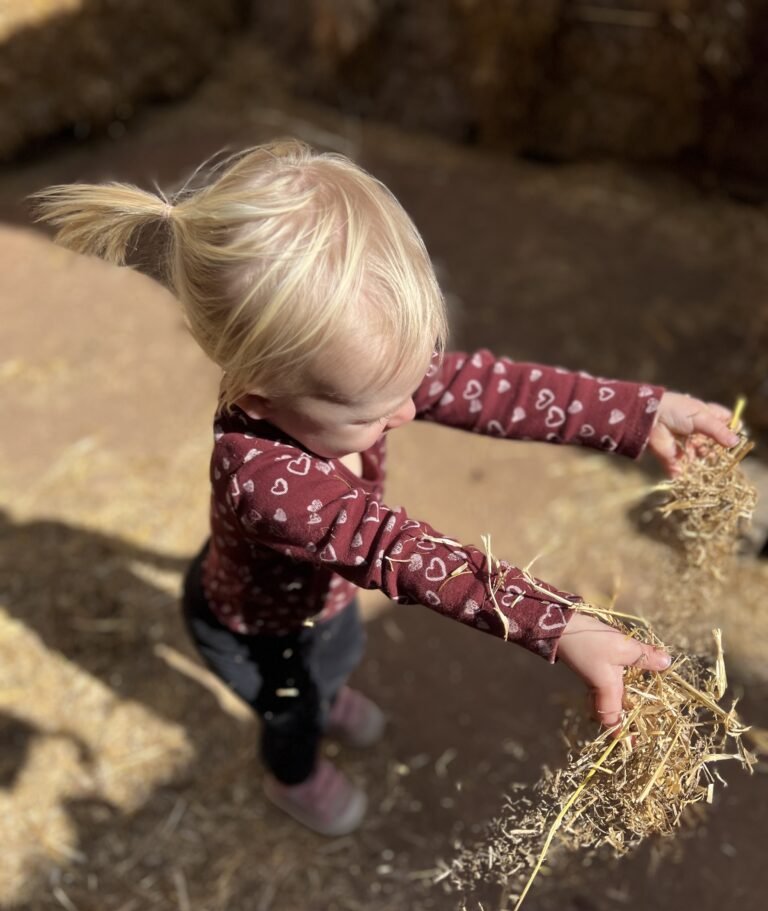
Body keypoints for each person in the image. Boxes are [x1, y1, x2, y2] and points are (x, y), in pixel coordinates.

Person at [31, 140, 739, 836]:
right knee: (293, 710)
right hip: (263, 637)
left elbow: (500, 390)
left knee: (336, 658)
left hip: (325, 606)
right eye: (376, 410)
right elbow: (398, 550)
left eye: (413, 381)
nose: (408, 411)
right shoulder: (264, 480)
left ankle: (329, 694)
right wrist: (563, 624)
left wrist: (640, 412)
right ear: (260, 392)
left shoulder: (347, 371)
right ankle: (294, 776)